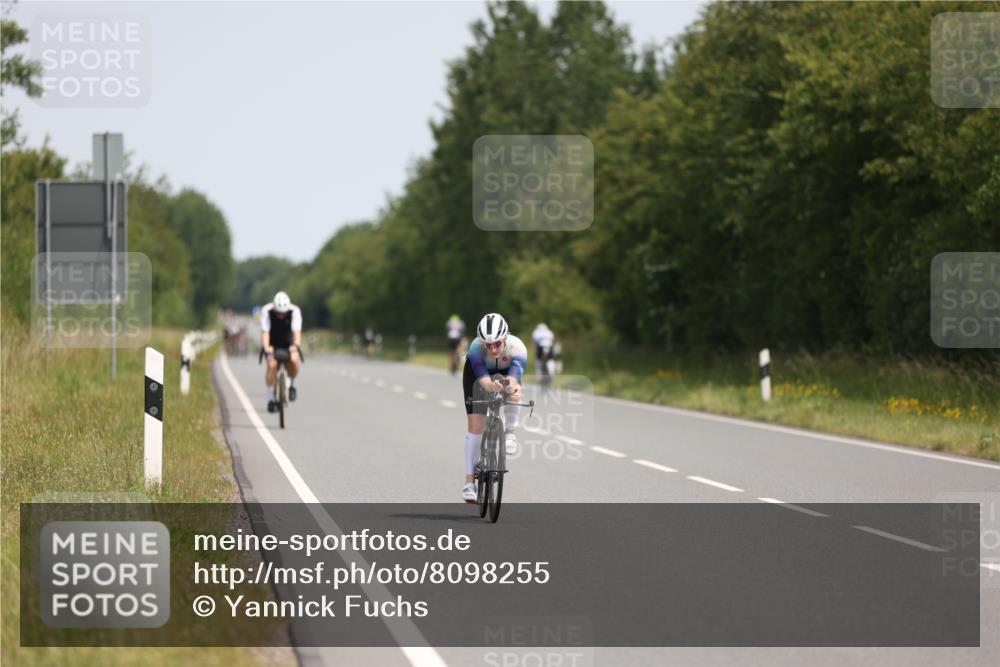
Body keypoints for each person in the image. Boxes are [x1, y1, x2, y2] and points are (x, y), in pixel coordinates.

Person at [460, 313, 527, 503]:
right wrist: (492, 387)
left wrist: (508, 387)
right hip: (477, 376)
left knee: (515, 391)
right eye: (488, 345)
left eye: (497, 343)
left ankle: (510, 433)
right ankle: (469, 482)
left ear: (505, 338)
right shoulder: (475, 349)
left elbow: (513, 379)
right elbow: (486, 383)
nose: (493, 348)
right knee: (475, 426)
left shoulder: (518, 348)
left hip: (506, 371)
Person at [260, 291, 302, 413]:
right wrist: (266, 347)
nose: (280, 316)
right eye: (278, 313)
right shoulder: (266, 311)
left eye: (283, 314)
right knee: (271, 365)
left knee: (294, 360)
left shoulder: (295, 311)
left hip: (288, 343)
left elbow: (297, 332)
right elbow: (265, 332)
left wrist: (296, 345)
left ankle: (293, 385)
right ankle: (271, 399)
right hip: (273, 343)